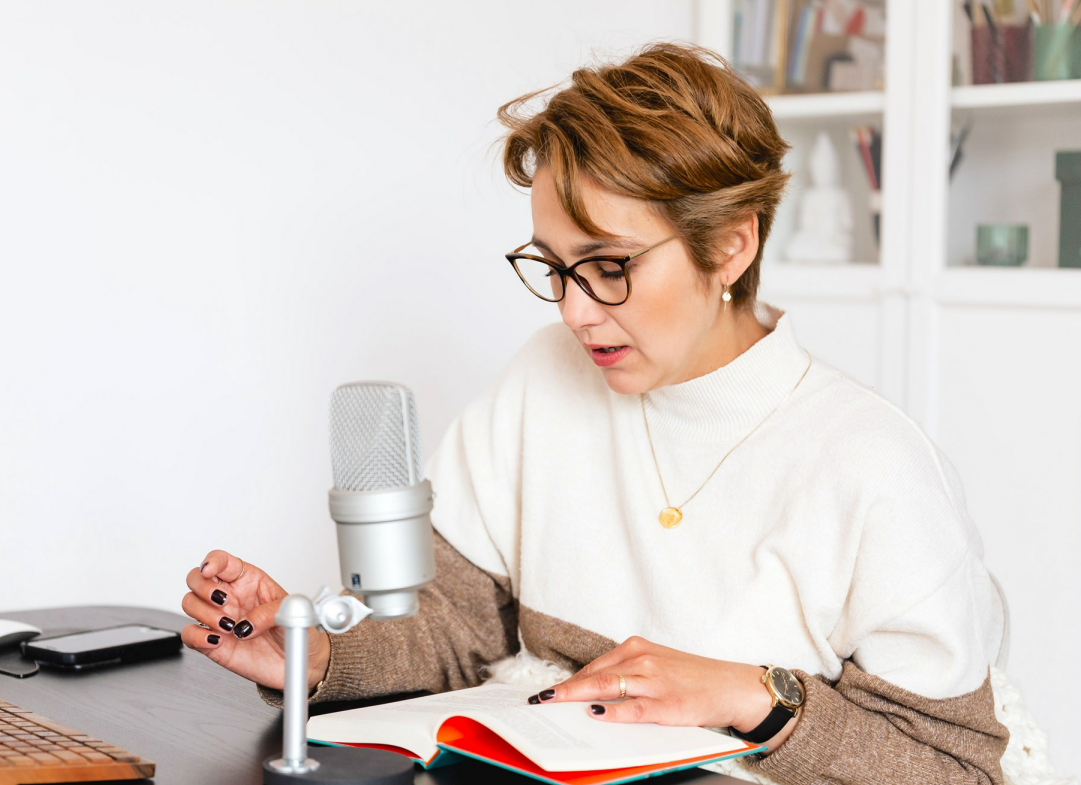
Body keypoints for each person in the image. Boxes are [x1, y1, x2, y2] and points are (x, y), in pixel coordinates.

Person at [180, 42, 1009, 783]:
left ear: (730, 244)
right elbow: (457, 625)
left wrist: (753, 694)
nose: (575, 312)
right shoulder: (545, 378)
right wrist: (310, 652)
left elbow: (953, 766)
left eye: (609, 266)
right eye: (555, 266)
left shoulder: (873, 463)